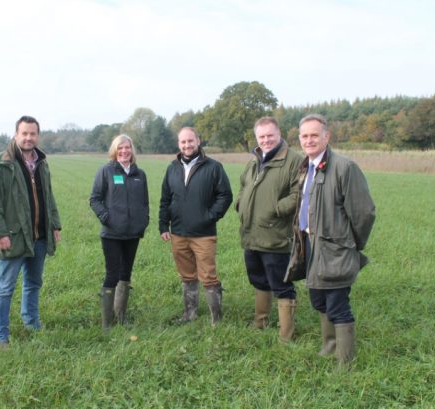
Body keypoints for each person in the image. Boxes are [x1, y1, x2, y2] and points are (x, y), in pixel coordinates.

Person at [285, 114, 375, 366]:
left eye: (315, 135)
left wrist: (349, 244)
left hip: (335, 249)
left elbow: (363, 213)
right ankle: (329, 345)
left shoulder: (345, 168)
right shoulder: (306, 166)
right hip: (310, 246)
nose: (309, 140)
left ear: (327, 136)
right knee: (318, 299)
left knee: (337, 304)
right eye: (304, 136)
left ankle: (345, 361)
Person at [0, 115, 61, 350]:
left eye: (33, 134)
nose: (29, 138)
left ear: (38, 136)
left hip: (39, 235)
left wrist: (54, 225)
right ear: (16, 134)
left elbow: (49, 196)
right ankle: (1, 337)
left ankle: (31, 323)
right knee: (5, 287)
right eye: (24, 133)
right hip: (13, 236)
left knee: (33, 283)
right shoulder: (2, 162)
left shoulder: (41, 162)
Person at [235, 117, 304, 342]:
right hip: (251, 234)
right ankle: (260, 323)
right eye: (261, 136)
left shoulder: (294, 160)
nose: (266, 140)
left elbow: (300, 194)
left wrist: (276, 210)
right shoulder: (254, 160)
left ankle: (286, 336)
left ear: (279, 133)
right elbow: (244, 185)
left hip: (275, 236)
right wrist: (240, 204)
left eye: (270, 135)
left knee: (282, 286)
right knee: (258, 280)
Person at [159, 127, 233, 326]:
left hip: (203, 234)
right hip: (178, 233)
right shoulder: (172, 168)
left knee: (208, 276)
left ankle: (216, 319)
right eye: (183, 142)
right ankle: (189, 313)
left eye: (190, 141)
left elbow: (225, 196)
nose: (187, 145)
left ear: (198, 141)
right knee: (187, 276)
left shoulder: (213, 167)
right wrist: (163, 225)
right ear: (178, 144)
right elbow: (165, 199)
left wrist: (209, 217)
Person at [89, 134, 150, 329]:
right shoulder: (106, 171)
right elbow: (95, 199)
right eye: (120, 148)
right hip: (112, 234)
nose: (124, 151)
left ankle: (120, 316)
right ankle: (107, 323)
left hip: (133, 233)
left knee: (126, 275)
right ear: (115, 150)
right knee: (112, 275)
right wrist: (107, 219)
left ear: (132, 151)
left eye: (127, 148)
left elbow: (145, 202)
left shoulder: (140, 175)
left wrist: (143, 220)